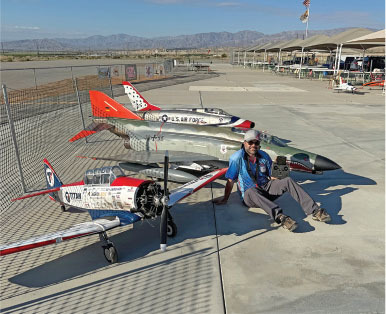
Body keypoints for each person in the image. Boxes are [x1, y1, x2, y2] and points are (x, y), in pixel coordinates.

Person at [214, 129, 331, 231]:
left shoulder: (264, 155)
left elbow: (272, 177)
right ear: (244, 143)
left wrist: (281, 170)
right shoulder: (236, 158)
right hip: (250, 196)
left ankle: (315, 211)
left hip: (266, 188)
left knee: (288, 180)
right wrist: (225, 198)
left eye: (256, 142)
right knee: (251, 191)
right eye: (250, 142)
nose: (253, 145)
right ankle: (281, 217)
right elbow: (230, 181)